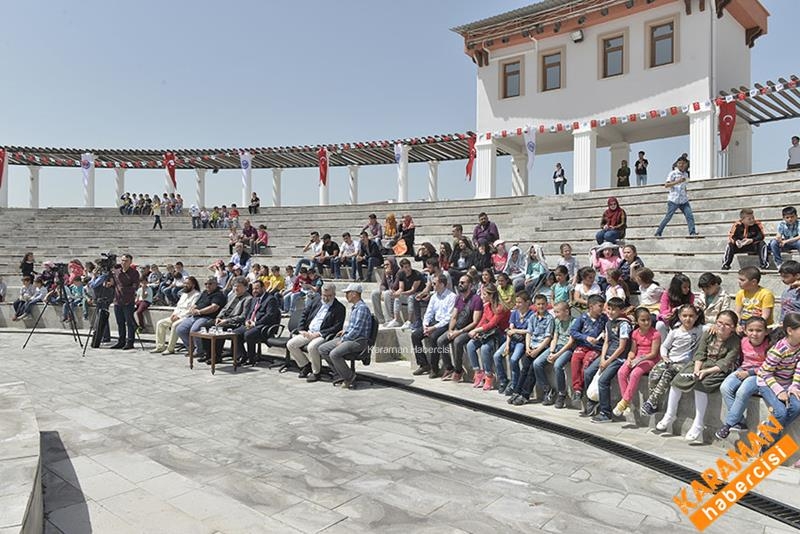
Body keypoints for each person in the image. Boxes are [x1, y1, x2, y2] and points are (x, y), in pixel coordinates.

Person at [657, 310, 740, 441]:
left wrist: (705, 372)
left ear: (733, 327)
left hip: (717, 369)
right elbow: (700, 353)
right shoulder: (709, 333)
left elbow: (725, 362)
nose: (722, 326)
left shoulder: (735, 341)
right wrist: (697, 369)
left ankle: (698, 423)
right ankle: (669, 414)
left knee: (701, 385)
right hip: (701, 364)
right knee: (677, 380)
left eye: (727, 324)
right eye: (719, 323)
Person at [640, 304, 704, 416]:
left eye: (691, 316)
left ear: (696, 317)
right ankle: (653, 404)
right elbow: (664, 346)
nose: (688, 319)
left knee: (667, 374)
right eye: (684, 315)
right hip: (670, 360)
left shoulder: (700, 329)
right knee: (654, 372)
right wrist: (664, 356)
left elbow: (713, 327)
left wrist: (714, 326)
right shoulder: (675, 331)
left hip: (685, 364)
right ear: (679, 316)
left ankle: (651, 402)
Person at [716, 317, 770, 439]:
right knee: (725, 387)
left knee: (743, 391)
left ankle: (728, 424)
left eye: (759, 330)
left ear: (766, 332)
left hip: (760, 374)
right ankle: (739, 421)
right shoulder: (743, 341)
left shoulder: (769, 344)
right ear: (745, 331)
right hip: (743, 369)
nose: (754, 334)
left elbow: (769, 366)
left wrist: (750, 373)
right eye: (750, 330)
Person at [319, 283, 374, 389]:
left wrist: (344, 339)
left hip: (358, 341)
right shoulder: (355, 307)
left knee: (334, 353)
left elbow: (357, 331)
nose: (346, 295)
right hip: (351, 337)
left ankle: (349, 377)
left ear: (354, 294)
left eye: (347, 293)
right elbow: (353, 327)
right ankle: (340, 373)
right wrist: (345, 331)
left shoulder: (361, 308)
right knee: (322, 349)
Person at [586, 297, 632, 422]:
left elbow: (622, 347)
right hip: (606, 356)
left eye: (614, 310)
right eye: (609, 309)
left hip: (618, 359)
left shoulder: (624, 324)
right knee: (588, 372)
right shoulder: (608, 323)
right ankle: (593, 400)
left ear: (621, 310)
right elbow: (606, 342)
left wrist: (607, 361)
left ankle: (605, 412)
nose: (610, 312)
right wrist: (602, 359)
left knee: (603, 381)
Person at [287, 283, 346, 381]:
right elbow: (304, 314)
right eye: (324, 295)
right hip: (308, 332)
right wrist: (301, 329)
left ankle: (316, 372)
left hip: (322, 335)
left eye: (329, 296)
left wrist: (319, 334)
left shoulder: (339, 308)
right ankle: (305, 365)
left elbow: (336, 327)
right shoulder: (317, 300)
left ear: (334, 294)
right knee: (291, 344)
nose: (326, 298)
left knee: (312, 347)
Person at [756, 313, 800, 439]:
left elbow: (798, 368)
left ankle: (768, 431)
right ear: (790, 331)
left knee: (797, 407)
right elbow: (765, 372)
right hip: (767, 382)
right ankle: (766, 445)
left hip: (787, 383)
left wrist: (794, 387)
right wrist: (779, 391)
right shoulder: (778, 350)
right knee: (781, 412)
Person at [614, 307, 661, 417]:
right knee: (621, 372)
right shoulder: (635, 333)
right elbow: (632, 350)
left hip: (649, 359)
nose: (646, 322)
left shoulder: (655, 334)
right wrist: (630, 358)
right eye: (643, 320)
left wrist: (638, 360)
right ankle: (628, 403)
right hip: (637, 357)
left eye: (648, 319)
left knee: (635, 373)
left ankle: (624, 402)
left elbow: (653, 353)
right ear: (637, 321)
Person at [507, 294, 553, 404]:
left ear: (546, 305)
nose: (541, 306)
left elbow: (548, 338)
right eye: (538, 304)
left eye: (543, 304)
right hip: (531, 345)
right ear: (535, 305)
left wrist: (537, 350)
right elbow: (529, 333)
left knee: (532, 369)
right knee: (524, 368)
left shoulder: (549, 319)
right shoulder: (533, 317)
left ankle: (525, 395)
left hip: (541, 347)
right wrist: (528, 347)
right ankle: (517, 392)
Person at [466, 283, 510, 391]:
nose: (482, 296)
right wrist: (476, 330)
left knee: (485, 348)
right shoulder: (487, 306)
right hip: (488, 333)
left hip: (500, 334)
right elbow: (483, 320)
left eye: (484, 294)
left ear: (491, 295)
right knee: (470, 345)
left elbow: (492, 324)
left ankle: (489, 375)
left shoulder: (500, 308)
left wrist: (476, 330)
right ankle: (478, 372)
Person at [410, 274, 456, 378]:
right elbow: (428, 312)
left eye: (434, 283)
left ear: (442, 284)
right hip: (433, 323)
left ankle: (434, 369)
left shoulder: (451, 297)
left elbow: (448, 318)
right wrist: (425, 325)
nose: (432, 286)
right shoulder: (434, 296)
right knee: (415, 335)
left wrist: (433, 328)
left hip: (444, 324)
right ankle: (423, 364)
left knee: (434, 337)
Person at [440, 275, 483, 382]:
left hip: (468, 329)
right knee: (440, 341)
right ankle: (449, 368)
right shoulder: (458, 298)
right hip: (457, 327)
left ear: (470, 285)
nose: (460, 284)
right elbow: (454, 316)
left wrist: (458, 332)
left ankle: (458, 371)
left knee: (457, 341)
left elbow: (475, 322)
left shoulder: (476, 299)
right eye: (459, 282)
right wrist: (450, 330)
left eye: (463, 282)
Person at [199, 276, 252, 363]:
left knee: (219, 329)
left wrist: (226, 321)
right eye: (235, 286)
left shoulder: (248, 299)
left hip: (234, 323)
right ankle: (208, 354)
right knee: (204, 326)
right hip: (223, 319)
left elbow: (243, 316)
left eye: (239, 286)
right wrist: (218, 317)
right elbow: (224, 308)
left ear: (245, 287)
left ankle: (217, 357)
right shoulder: (232, 296)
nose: (236, 288)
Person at [569, 294, 607, 408]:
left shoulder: (604, 319)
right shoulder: (582, 318)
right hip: (583, 346)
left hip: (596, 348)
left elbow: (609, 330)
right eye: (600, 306)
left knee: (586, 363)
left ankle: (584, 389)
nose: (602, 308)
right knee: (575, 359)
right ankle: (577, 389)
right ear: (591, 306)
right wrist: (586, 338)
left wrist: (605, 335)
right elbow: (573, 331)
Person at [175, 277, 228, 359]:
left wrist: (200, 312)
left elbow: (214, 307)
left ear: (216, 284)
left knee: (195, 330)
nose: (207, 285)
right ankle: (192, 348)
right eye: (206, 284)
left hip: (207, 317)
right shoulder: (204, 293)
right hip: (195, 316)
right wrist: (193, 308)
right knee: (180, 329)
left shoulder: (218, 294)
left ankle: (200, 351)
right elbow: (196, 303)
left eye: (210, 283)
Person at [493, 292, 534, 395]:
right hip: (512, 339)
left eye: (520, 302)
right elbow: (510, 330)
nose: (517, 304)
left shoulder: (531, 314)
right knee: (497, 356)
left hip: (522, 341)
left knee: (514, 360)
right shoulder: (514, 313)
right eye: (516, 302)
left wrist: (516, 331)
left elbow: (529, 330)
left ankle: (514, 383)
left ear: (527, 303)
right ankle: (503, 379)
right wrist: (507, 345)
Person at [150, 276, 201, 354]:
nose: (185, 285)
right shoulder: (184, 293)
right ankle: (160, 347)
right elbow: (178, 306)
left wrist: (179, 316)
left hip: (186, 317)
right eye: (184, 283)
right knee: (160, 323)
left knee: (175, 325)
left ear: (193, 285)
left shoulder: (197, 295)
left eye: (187, 284)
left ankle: (170, 348)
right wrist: (174, 314)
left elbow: (190, 310)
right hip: (176, 315)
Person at [237, 279, 282, 365]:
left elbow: (270, 316)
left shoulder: (270, 299)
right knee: (236, 333)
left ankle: (251, 359)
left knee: (248, 334)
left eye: (257, 288)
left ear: (263, 288)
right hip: (252, 324)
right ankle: (243, 356)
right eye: (253, 289)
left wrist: (255, 323)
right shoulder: (254, 299)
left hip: (263, 326)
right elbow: (249, 313)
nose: (254, 291)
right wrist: (247, 321)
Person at [655, 156, 697, 237]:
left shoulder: (686, 174)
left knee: (689, 216)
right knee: (668, 217)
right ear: (677, 164)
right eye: (679, 163)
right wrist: (677, 181)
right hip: (674, 200)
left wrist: (686, 193)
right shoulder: (673, 173)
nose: (681, 165)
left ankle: (692, 232)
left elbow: (684, 186)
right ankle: (658, 232)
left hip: (683, 200)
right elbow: (666, 185)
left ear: (686, 165)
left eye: (683, 163)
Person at [110, 254, 140, 350]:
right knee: (120, 322)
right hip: (117, 300)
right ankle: (121, 341)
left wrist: (124, 289)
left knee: (129, 322)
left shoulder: (134, 273)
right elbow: (114, 284)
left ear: (130, 262)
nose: (123, 262)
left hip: (128, 301)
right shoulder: (117, 272)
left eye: (126, 261)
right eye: (122, 260)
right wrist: (109, 284)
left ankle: (130, 341)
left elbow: (135, 286)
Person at [387, 258, 423, 329]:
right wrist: (396, 294)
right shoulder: (401, 274)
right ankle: (396, 319)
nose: (408, 268)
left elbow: (413, 290)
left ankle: (409, 321)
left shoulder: (417, 274)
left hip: (417, 293)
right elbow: (401, 288)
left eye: (409, 266)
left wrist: (401, 293)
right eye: (405, 267)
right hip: (407, 293)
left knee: (410, 298)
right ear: (402, 268)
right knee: (397, 298)